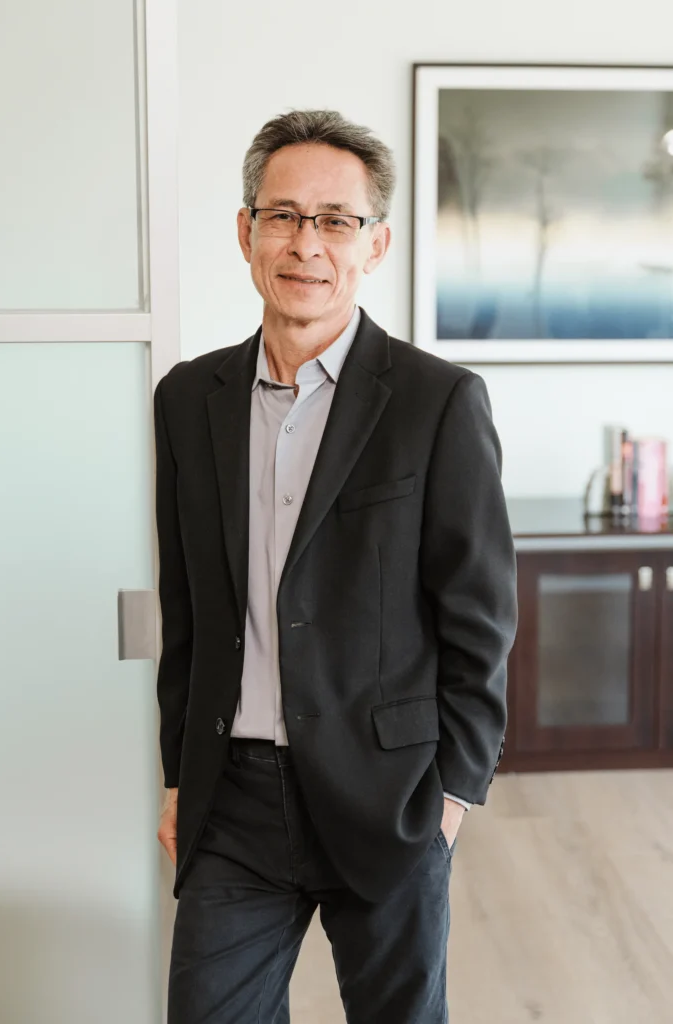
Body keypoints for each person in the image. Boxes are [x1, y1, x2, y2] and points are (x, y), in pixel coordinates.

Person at [154, 109, 518, 1024]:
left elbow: (478, 613)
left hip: (387, 793)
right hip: (232, 797)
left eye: (334, 220)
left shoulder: (436, 402)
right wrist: (175, 775)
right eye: (281, 216)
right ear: (245, 233)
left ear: (375, 242)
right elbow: (190, 606)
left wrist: (451, 799)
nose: (304, 243)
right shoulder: (188, 398)